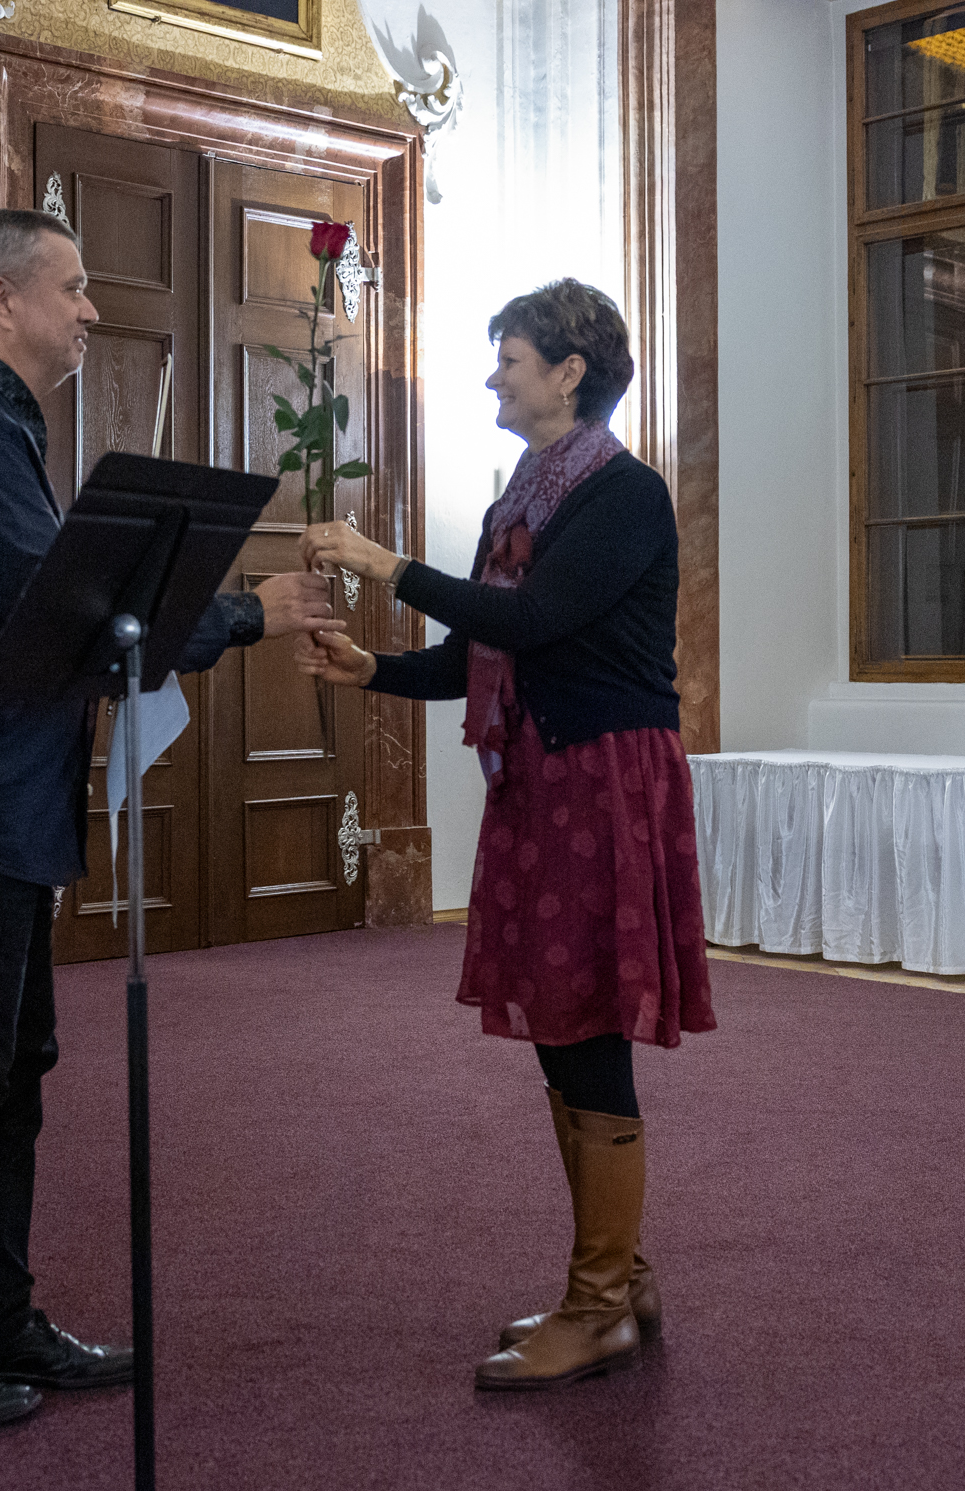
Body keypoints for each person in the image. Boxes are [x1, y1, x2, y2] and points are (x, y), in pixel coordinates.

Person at [0, 208, 344, 1432]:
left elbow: (44, 619)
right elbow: (61, 611)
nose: (92, 310)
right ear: (1, 299)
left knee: (8, 1073)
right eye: (72, 287)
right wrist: (244, 612)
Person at [295, 278, 718, 1391]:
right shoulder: (523, 497)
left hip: (604, 777)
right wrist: (373, 669)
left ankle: (599, 1305)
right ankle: (618, 1281)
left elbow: (530, 619)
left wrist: (387, 565)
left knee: (587, 1029)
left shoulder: (623, 494)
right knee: (558, 1029)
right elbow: (479, 656)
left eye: (510, 358)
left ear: (568, 374)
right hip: (542, 777)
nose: (494, 376)